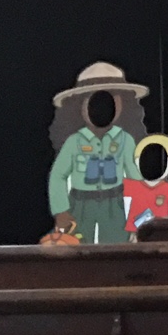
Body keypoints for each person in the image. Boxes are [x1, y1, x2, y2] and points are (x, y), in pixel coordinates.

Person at [47, 62, 149, 245]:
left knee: (117, 249)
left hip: (115, 206)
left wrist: (139, 214)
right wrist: (61, 211)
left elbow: (135, 179)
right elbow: (58, 176)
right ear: (80, 106)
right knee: (77, 251)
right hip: (80, 206)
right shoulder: (74, 142)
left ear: (122, 103)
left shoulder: (125, 140)